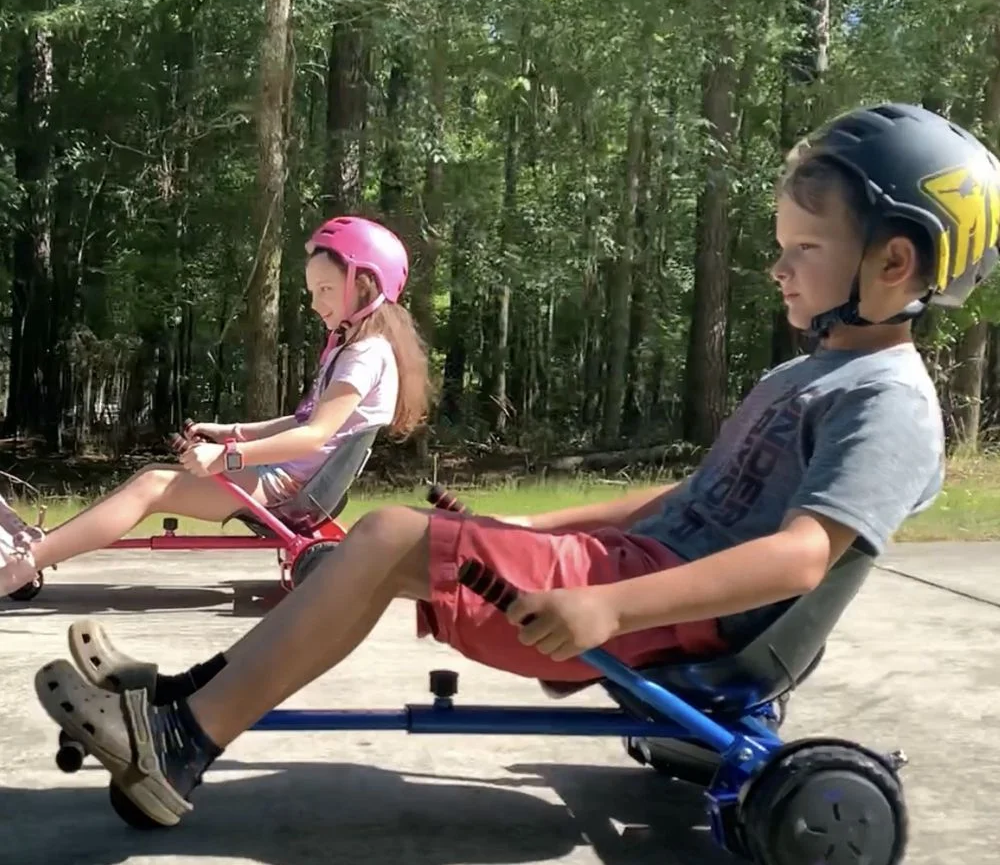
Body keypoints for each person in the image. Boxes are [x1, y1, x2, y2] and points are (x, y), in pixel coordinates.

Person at [32, 104, 1000, 828]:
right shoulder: (807, 375)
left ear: (894, 264)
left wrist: (612, 607)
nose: (778, 268)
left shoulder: (888, 402)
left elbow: (799, 556)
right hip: (630, 576)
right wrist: (535, 527)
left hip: (659, 613)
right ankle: (183, 698)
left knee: (383, 538)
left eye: (804, 248)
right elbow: (686, 496)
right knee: (375, 547)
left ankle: (182, 741)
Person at [3, 215, 429, 599]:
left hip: (285, 488)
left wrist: (228, 457)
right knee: (150, 478)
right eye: (313, 291)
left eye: (326, 289)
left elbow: (314, 435)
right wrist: (233, 433)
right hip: (283, 478)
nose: (316, 303)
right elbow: (303, 420)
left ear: (365, 284)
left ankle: (24, 562)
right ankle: (39, 549)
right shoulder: (357, 349)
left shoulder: (363, 355)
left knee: (151, 486)